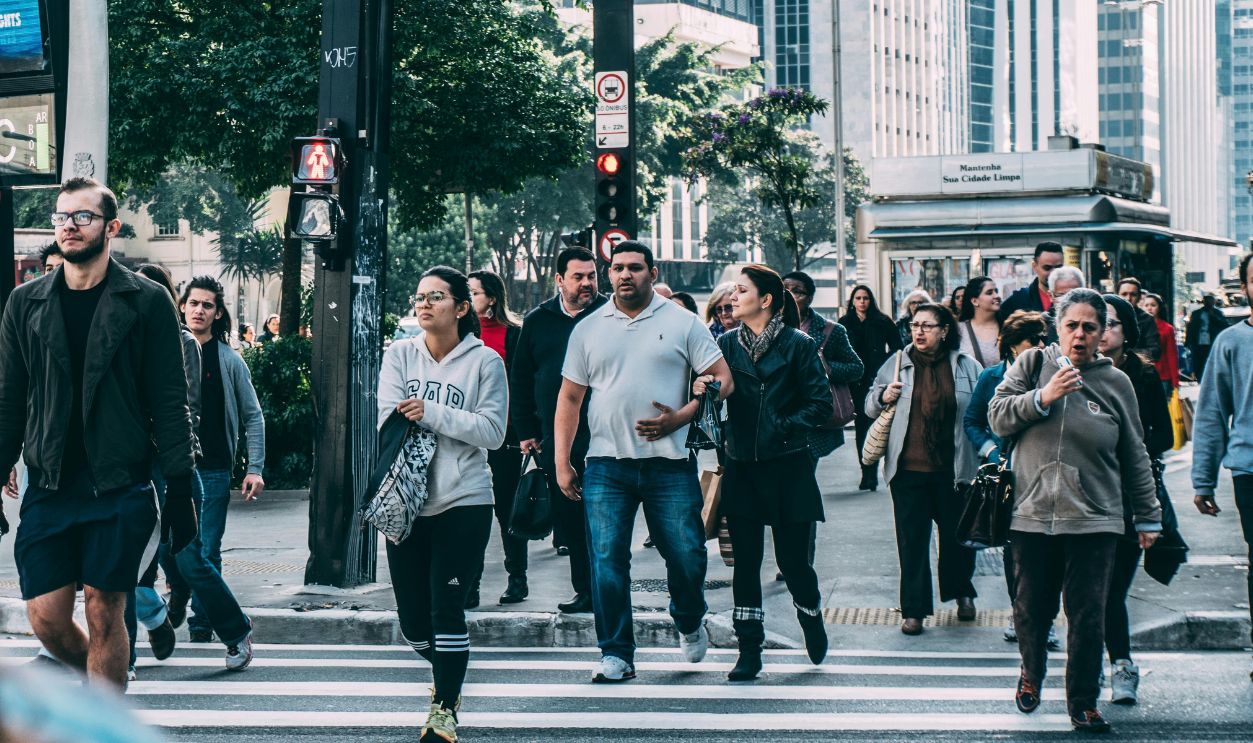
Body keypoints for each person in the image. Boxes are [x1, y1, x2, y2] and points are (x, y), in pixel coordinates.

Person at [0, 177, 198, 688]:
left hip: (119, 482)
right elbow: (8, 400)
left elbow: (169, 401)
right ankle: (99, 682)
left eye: (82, 216)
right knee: (44, 617)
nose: (68, 225)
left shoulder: (147, 301)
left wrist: (180, 487)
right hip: (50, 482)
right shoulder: (25, 304)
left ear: (110, 227)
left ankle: (105, 715)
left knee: (105, 608)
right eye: (61, 216)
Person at [555, 241, 733, 683]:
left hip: (668, 465)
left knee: (688, 556)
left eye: (635, 267)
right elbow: (570, 399)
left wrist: (683, 417)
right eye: (617, 268)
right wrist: (561, 461)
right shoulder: (588, 329)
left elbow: (723, 380)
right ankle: (616, 653)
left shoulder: (683, 323)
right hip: (606, 466)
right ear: (609, 272)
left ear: (652, 273)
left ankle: (689, 618)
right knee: (607, 560)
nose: (625, 275)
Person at [988, 288, 1161, 734]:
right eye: (1072, 326)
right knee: (1030, 608)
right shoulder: (1031, 365)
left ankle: (1082, 702)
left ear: (1102, 333)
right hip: (1032, 512)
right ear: (1056, 327)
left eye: (1090, 327)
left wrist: (1147, 515)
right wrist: (1043, 396)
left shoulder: (1116, 383)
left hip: (1096, 517)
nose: (1080, 335)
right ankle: (1031, 671)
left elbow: (1135, 454)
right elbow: (998, 417)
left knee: (1087, 613)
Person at [377, 265, 507, 743]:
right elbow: (388, 419)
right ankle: (451, 667)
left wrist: (430, 412)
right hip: (406, 502)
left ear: (460, 307)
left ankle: (444, 708)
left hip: (465, 499)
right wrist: (437, 417)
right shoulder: (399, 355)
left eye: (436, 295)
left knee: (446, 608)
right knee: (414, 624)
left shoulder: (485, 363)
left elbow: (492, 432)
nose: (425, 303)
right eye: (419, 296)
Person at [696, 265, 832, 681]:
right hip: (741, 466)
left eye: (742, 291)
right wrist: (703, 390)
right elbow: (711, 398)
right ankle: (749, 648)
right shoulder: (725, 346)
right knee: (746, 564)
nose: (732, 298)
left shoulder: (799, 344)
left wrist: (782, 426)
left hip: (789, 465)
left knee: (794, 563)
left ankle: (809, 613)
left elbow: (821, 404)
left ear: (766, 299)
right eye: (733, 292)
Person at [865, 303, 982, 636]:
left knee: (958, 540)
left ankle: (962, 592)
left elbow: (980, 410)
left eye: (927, 326)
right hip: (908, 471)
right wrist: (883, 395)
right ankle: (914, 610)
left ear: (944, 331)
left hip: (955, 471)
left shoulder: (965, 366)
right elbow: (869, 405)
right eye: (915, 325)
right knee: (912, 543)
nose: (918, 331)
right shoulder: (898, 363)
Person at [510, 248, 607, 615]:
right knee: (571, 520)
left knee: (605, 519)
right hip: (557, 439)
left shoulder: (609, 315)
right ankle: (585, 590)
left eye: (592, 276)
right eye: (579, 277)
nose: (587, 284)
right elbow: (520, 378)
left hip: (606, 434)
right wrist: (527, 431)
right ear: (559, 280)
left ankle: (609, 591)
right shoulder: (538, 320)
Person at [177, 276, 266, 646]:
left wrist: (255, 467)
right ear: (182, 306)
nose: (199, 310)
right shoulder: (167, 352)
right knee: (174, 550)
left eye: (207, 305)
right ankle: (177, 602)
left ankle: (202, 623)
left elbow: (253, 415)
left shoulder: (228, 359)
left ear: (217, 313)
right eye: (194, 303)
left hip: (213, 468)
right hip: (173, 469)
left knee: (206, 548)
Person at [962, 310, 1055, 647]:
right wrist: (991, 452)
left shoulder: (1052, 374)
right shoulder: (992, 377)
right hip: (1009, 477)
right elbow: (972, 421)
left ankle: (1045, 619)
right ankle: (1021, 615)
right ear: (1015, 346)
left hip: (1046, 473)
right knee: (1015, 550)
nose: (1042, 345)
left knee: (1049, 548)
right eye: (1034, 339)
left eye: (1044, 338)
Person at [1098, 293, 1174, 706]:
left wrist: (1127, 446)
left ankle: (1121, 665)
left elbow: (1164, 436)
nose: (1101, 332)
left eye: (1110, 324)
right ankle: (1092, 661)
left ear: (1126, 333)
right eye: (1096, 323)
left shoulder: (1142, 377)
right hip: (1084, 496)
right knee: (1084, 591)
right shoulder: (1074, 372)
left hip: (1127, 497)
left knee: (1111, 591)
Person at [1191, 252, 1253, 683]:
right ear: (1245, 286)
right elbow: (1212, 413)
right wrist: (1202, 480)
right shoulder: (1231, 341)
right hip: (1250, 468)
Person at [466, 269, 526, 608]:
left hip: (505, 439)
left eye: (474, 292)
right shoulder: (459, 337)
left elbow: (521, 389)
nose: (469, 298)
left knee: (507, 512)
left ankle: (518, 577)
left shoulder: (513, 335)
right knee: (470, 514)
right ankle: (469, 585)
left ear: (491, 297)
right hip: (467, 439)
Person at [782, 270, 864, 461]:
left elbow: (856, 368)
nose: (789, 296)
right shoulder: (766, 326)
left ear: (809, 298)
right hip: (777, 415)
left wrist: (827, 368)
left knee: (802, 478)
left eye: (797, 291)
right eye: (784, 290)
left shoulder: (830, 330)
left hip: (811, 416)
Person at [839, 285, 903, 491]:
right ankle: (866, 471)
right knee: (861, 429)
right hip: (854, 382)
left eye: (865, 298)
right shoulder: (844, 323)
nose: (862, 302)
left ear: (871, 300)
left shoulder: (882, 321)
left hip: (877, 380)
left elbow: (898, 348)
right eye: (858, 298)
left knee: (877, 425)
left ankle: (873, 472)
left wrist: (884, 364)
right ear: (853, 301)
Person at [998, 242, 1066, 321]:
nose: (1053, 273)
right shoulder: (1018, 300)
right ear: (1034, 266)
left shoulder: (1072, 298)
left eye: (1058, 268)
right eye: (1047, 268)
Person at [956, 276, 1003, 368]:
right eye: (989, 293)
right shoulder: (959, 330)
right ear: (974, 301)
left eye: (996, 291)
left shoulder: (1009, 326)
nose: (996, 296)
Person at [1140, 292, 1180, 399]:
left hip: (1163, 376)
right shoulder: (1137, 326)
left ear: (1159, 308)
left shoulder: (1168, 328)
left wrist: (1175, 381)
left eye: (1153, 305)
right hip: (1142, 375)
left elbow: (1172, 355)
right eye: (1146, 305)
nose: (1149, 308)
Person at [1115, 277, 1162, 362]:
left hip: (1137, 369)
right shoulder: (1110, 317)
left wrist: (1127, 354)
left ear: (1139, 297)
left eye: (1133, 294)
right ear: (1117, 295)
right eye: (1124, 294)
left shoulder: (1147, 319)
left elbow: (1155, 351)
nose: (1128, 298)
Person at [1185, 294, 1229, 382]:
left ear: (1213, 302)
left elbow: (1225, 325)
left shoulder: (1218, 313)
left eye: (1211, 301)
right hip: (1199, 343)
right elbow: (1190, 328)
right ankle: (1200, 378)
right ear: (1204, 302)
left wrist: (1214, 317)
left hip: (1212, 343)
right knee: (1199, 361)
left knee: (1212, 361)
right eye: (1207, 300)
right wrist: (1188, 341)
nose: (1209, 303)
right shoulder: (1196, 313)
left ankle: (1211, 378)